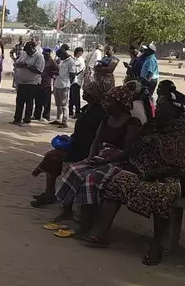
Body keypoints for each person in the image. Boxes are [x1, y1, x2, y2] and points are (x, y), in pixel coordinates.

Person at [76, 90, 185, 266]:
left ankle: (156, 245)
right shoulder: (153, 125)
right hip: (142, 170)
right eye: (157, 103)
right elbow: (134, 149)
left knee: (162, 194)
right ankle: (100, 232)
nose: (157, 106)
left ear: (174, 109)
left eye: (161, 104)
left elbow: (184, 162)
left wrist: (157, 172)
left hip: (173, 177)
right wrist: (117, 159)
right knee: (116, 181)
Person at [51, 85, 143, 234]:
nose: (106, 103)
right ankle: (67, 210)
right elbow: (96, 141)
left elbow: (128, 152)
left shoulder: (131, 123)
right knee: (73, 170)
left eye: (110, 101)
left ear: (120, 103)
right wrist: (91, 158)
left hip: (119, 162)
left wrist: (104, 161)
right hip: (101, 157)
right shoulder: (107, 119)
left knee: (90, 179)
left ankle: (86, 223)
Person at [31, 81, 109, 207]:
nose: (83, 93)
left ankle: (49, 193)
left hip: (85, 150)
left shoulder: (98, 113)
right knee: (53, 156)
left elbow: (92, 137)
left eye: (86, 92)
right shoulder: (88, 109)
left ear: (93, 94)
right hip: (78, 145)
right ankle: (49, 192)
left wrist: (73, 143)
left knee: (53, 156)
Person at [11, 41, 44, 126]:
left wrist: (27, 66)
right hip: (21, 82)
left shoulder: (39, 56)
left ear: (33, 48)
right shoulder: (24, 54)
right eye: (27, 51)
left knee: (29, 101)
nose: (28, 53)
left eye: (29, 51)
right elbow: (17, 63)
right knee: (19, 101)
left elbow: (39, 70)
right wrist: (19, 64)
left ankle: (27, 119)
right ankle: (17, 119)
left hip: (32, 82)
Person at [51, 48, 77, 128]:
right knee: (58, 104)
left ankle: (64, 121)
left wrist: (68, 83)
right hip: (57, 84)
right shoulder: (62, 60)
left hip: (64, 85)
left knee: (64, 104)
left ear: (64, 54)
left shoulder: (71, 62)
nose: (59, 57)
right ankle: (58, 119)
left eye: (60, 56)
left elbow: (72, 74)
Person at [33, 48, 58, 121]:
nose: (46, 54)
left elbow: (57, 70)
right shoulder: (40, 60)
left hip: (46, 84)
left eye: (48, 53)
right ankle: (36, 115)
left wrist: (51, 73)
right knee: (38, 101)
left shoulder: (51, 61)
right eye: (45, 53)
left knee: (46, 101)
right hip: (38, 83)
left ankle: (46, 116)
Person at [69, 47, 85, 117]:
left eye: (81, 53)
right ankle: (70, 111)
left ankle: (77, 112)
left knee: (76, 97)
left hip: (77, 81)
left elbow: (77, 71)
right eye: (78, 53)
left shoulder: (80, 60)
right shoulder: (74, 59)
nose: (79, 54)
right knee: (71, 96)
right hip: (72, 81)